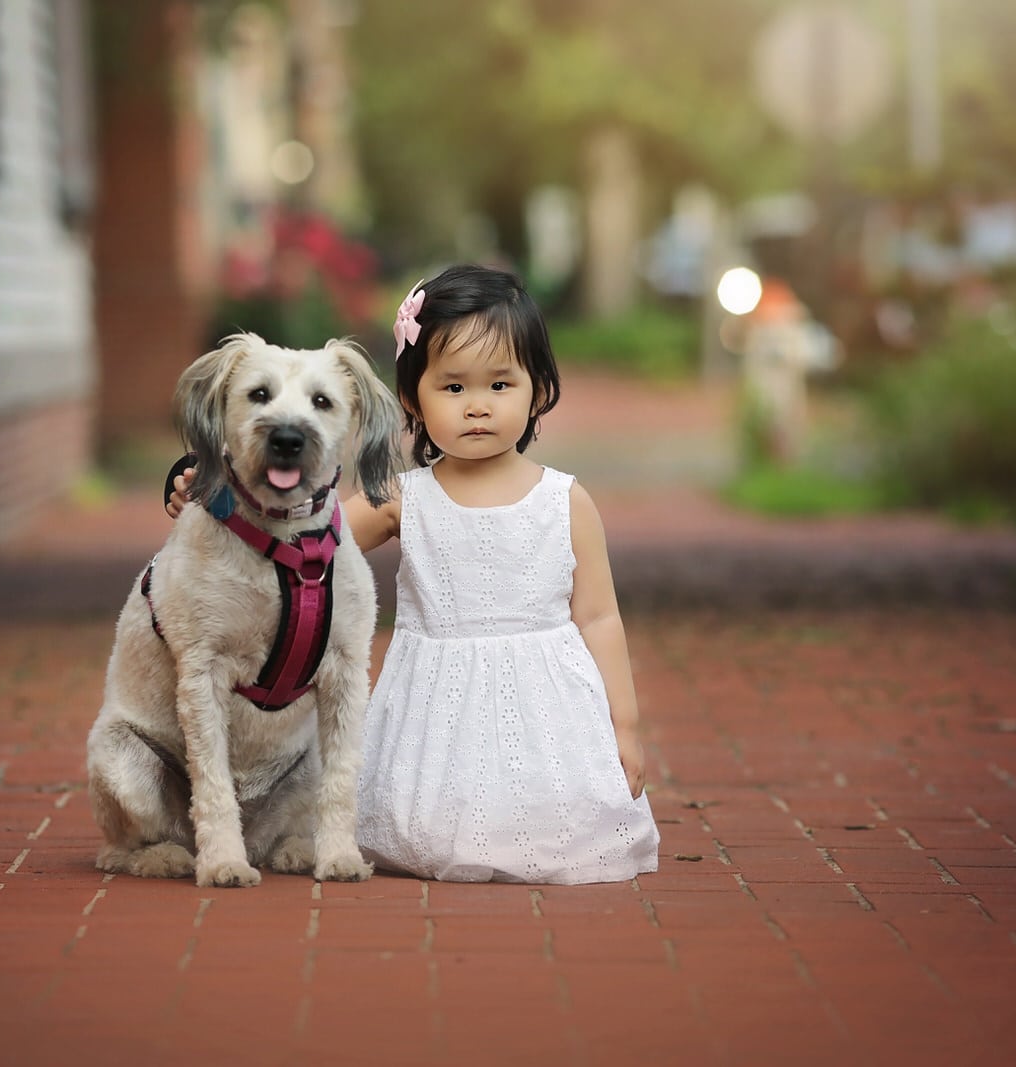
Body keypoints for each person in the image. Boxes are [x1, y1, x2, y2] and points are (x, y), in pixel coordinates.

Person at [169, 264, 659, 884]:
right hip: (437, 711)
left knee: (544, 802)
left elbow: (598, 615)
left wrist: (626, 726)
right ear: (412, 400)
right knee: (432, 814)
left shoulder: (565, 501)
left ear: (538, 391)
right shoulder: (404, 498)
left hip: (547, 712)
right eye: (452, 388)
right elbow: (296, 535)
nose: (477, 406)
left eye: (501, 384)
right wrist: (210, 490)